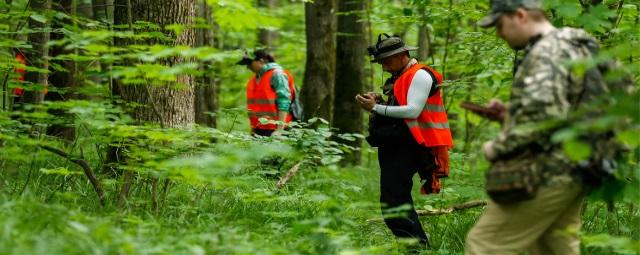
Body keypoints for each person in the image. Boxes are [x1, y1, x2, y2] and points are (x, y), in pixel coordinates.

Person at [465, 1, 600, 254]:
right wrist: (511, 114)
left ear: (520, 15)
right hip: (580, 165)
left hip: (547, 170)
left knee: (485, 245)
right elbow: (564, 110)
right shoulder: (573, 45)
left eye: (500, 25)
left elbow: (540, 118)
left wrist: (496, 148)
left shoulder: (544, 52)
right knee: (555, 246)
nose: (499, 33)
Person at [355, 34, 454, 248]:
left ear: (402, 55)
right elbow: (400, 107)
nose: (384, 67)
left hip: (413, 145)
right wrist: (379, 101)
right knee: (394, 201)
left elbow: (413, 110)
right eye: (381, 62)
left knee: (394, 203)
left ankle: (417, 249)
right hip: (398, 145)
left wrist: (374, 107)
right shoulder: (402, 75)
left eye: (387, 61)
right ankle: (418, 248)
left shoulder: (420, 75)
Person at [236, 49, 295, 136]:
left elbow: (284, 101)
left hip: (275, 130)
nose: (248, 67)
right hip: (259, 129)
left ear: (261, 61)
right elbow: (255, 107)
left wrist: (279, 130)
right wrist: (253, 129)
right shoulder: (254, 79)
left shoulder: (277, 74)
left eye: (249, 63)